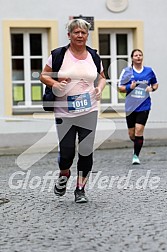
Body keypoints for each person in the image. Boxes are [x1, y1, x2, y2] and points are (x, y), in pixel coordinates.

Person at [40, 19, 106, 203]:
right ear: (69, 35)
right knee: (67, 153)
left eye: (83, 33)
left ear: (87, 35)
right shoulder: (59, 55)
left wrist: (100, 88)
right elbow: (43, 75)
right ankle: (64, 173)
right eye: (76, 32)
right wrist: (55, 84)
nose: (79, 35)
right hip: (64, 112)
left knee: (86, 150)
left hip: (89, 109)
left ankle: (80, 189)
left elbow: (102, 78)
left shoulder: (93, 55)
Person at [118, 49, 158, 165]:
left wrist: (152, 88)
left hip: (144, 105)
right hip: (130, 106)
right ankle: (137, 143)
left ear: (142, 57)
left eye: (140, 55)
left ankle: (136, 155)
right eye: (136, 55)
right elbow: (120, 87)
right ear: (132, 58)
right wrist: (130, 87)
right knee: (132, 134)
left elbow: (155, 83)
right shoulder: (127, 71)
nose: (138, 57)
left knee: (139, 130)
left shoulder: (149, 71)